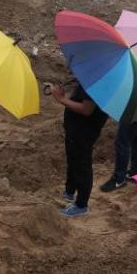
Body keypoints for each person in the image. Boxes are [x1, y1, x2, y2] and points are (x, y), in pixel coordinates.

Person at [51, 80, 108, 217]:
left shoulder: (96, 79)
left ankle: (81, 204)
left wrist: (61, 99)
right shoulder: (93, 76)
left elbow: (86, 109)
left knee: (82, 164)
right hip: (77, 130)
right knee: (74, 160)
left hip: (83, 131)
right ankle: (70, 191)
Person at [101, 76, 137, 192]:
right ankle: (136, 172)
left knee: (122, 142)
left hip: (135, 111)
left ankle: (119, 179)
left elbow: (134, 85)